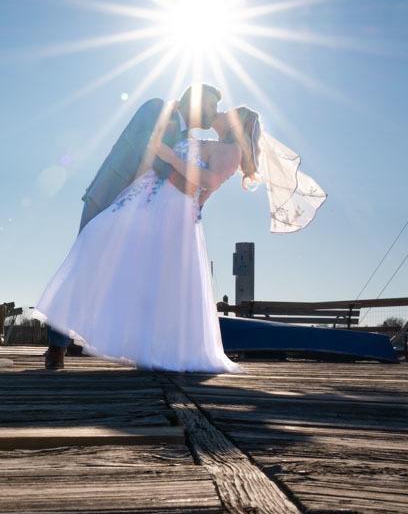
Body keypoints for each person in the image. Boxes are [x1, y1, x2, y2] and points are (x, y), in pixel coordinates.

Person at [36, 103, 325, 373]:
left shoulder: (232, 150)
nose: (220, 112)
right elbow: (204, 191)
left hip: (166, 209)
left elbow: (210, 181)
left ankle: (151, 347)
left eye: (227, 111)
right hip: (152, 204)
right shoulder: (212, 143)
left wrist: (171, 159)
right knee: (109, 252)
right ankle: (81, 336)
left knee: (135, 267)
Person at [41, 84, 221, 369]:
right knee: (85, 265)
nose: (215, 113)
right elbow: (143, 145)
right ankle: (57, 347)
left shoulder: (191, 139)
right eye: (211, 105)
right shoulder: (157, 108)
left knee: (136, 274)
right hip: (111, 196)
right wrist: (177, 168)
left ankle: (136, 345)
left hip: (141, 214)